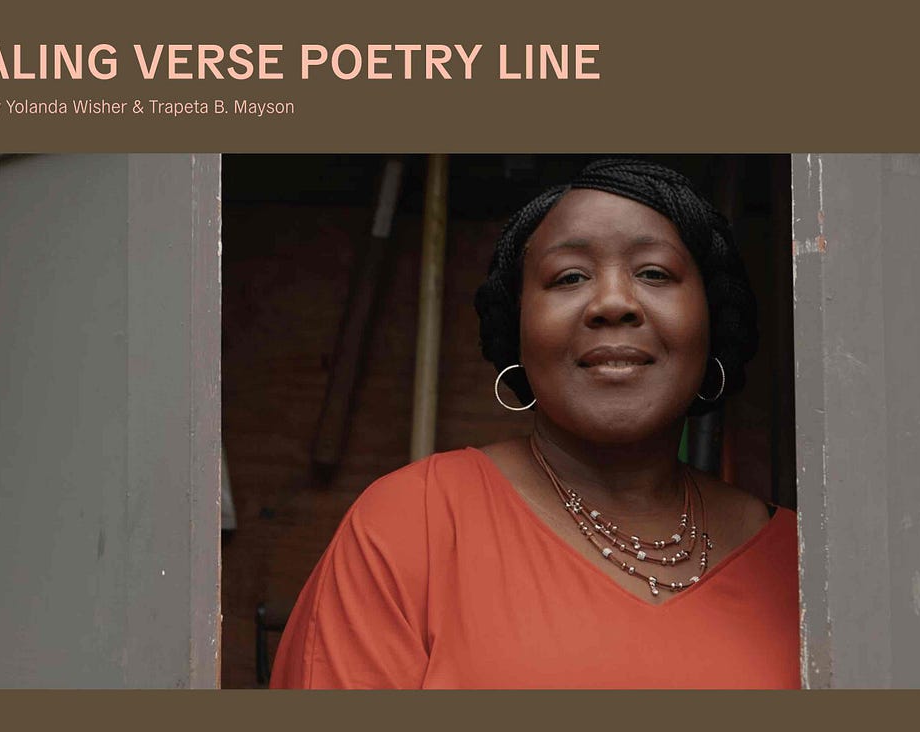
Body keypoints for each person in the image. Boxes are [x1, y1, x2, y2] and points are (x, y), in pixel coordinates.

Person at [270, 159, 798, 689]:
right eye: (569, 277)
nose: (612, 303)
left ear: (712, 320)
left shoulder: (805, 563)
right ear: (516, 329)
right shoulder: (414, 526)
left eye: (655, 273)